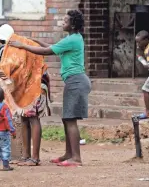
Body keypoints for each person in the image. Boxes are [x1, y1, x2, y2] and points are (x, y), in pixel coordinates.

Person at [9, 10, 91, 167]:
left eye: (65, 21)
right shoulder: (72, 39)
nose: (62, 23)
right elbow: (52, 48)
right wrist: (35, 42)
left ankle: (76, 158)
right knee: (67, 119)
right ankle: (69, 154)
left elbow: (48, 51)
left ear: (73, 24)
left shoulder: (72, 39)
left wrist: (23, 46)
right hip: (74, 81)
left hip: (76, 82)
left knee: (71, 120)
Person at [0, 26, 51, 167]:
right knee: (23, 118)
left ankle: (35, 158)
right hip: (26, 87)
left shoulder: (6, 53)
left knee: (33, 118)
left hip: (35, 84)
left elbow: (16, 67)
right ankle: (25, 156)